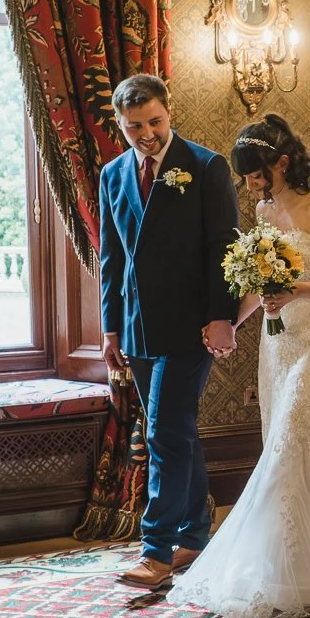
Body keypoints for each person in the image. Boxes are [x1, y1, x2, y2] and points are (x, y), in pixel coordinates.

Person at [170, 115, 310, 618]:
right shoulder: (264, 210)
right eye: (246, 178)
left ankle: (305, 566)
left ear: (282, 163)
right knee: (287, 446)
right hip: (279, 346)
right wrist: (230, 325)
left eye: (256, 175)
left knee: (294, 442)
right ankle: (298, 567)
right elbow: (261, 286)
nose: (251, 186)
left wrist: (297, 290)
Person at [98, 74, 240, 591]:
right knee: (176, 431)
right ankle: (196, 536)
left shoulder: (205, 166)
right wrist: (110, 328)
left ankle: (155, 552)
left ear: (168, 111)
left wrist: (222, 316)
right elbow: (111, 257)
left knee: (162, 432)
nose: (147, 134)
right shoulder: (112, 174)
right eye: (134, 126)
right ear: (120, 124)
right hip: (136, 330)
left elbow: (225, 247)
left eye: (154, 122)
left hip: (191, 328)